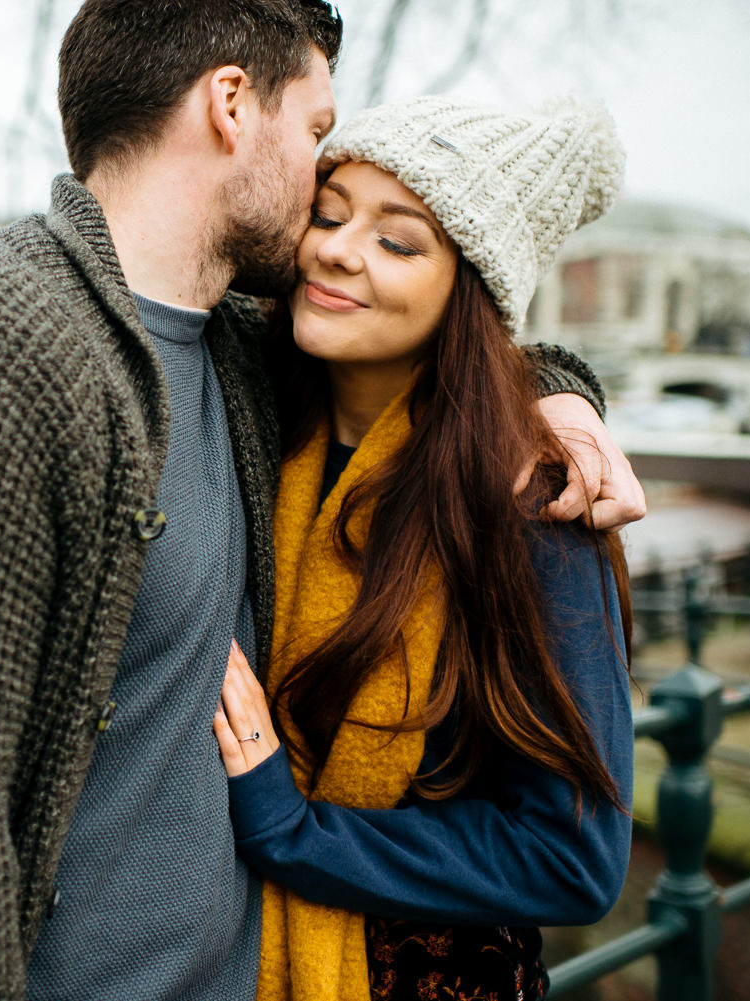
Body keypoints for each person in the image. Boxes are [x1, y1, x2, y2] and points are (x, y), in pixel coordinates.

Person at [0, 3, 645, 999]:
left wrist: (554, 395)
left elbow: (454, 356)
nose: (323, 215)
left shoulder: (236, 357)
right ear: (228, 105)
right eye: (315, 136)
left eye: (388, 234)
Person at [213, 94, 636, 1001]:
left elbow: (575, 857)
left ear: (468, 291)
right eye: (328, 213)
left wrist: (293, 828)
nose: (337, 247)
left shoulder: (533, 502)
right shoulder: (254, 417)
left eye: (399, 242)